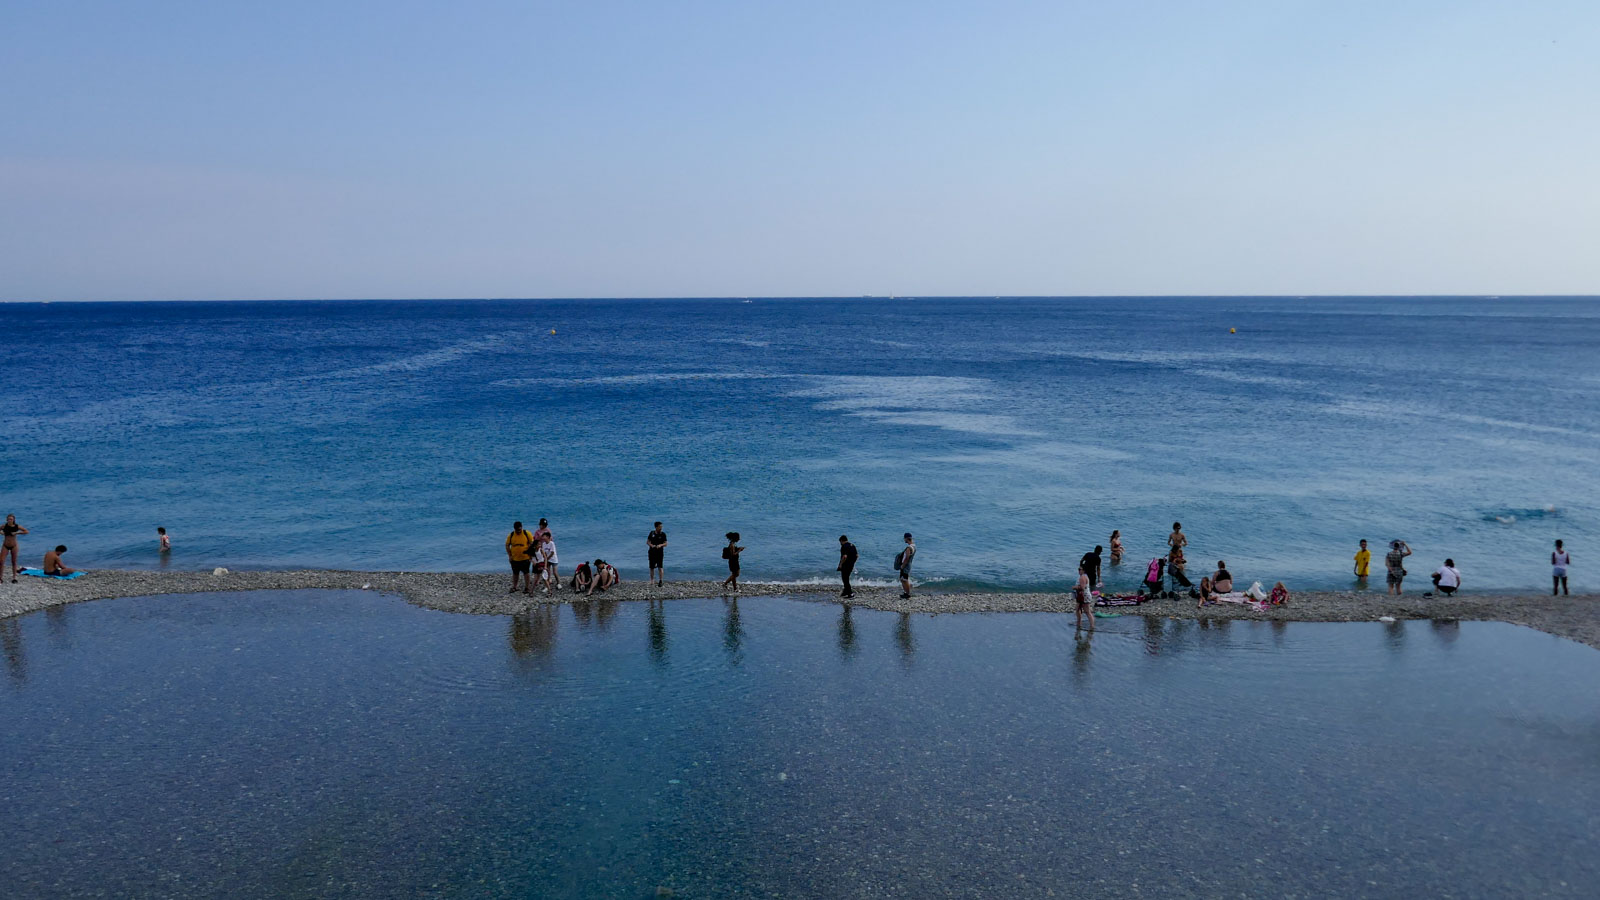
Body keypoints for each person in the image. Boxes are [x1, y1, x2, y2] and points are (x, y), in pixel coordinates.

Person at [505, 521, 535, 594]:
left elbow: (532, 544)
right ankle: (515, 587)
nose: (518, 531)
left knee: (526, 573)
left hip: (525, 558)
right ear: (514, 529)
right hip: (514, 558)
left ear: (521, 527)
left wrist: (531, 556)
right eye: (517, 530)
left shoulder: (527, 534)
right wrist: (510, 555)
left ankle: (527, 587)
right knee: (515, 573)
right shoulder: (511, 535)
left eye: (519, 529)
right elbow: (507, 545)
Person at [2, 515, 28, 583]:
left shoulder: (17, 526)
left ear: (13, 520)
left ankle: (14, 577)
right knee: (1, 561)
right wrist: (1, 532)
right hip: (5, 545)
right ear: (6, 520)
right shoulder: (4, 526)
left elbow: (26, 531)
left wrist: (17, 532)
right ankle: (0, 577)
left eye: (11, 519)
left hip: (14, 545)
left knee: (14, 561)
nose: (10, 520)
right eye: (8, 519)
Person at [647, 522, 668, 587]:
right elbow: (648, 542)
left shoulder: (663, 534)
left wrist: (660, 545)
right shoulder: (652, 533)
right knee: (651, 567)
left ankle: (660, 580)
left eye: (661, 527)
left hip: (660, 552)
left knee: (660, 566)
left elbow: (666, 544)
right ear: (656, 527)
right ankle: (652, 580)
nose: (661, 528)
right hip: (652, 552)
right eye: (660, 527)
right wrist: (651, 545)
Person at [1073, 566, 1094, 631]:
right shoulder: (1084, 576)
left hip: (1084, 596)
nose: (1079, 571)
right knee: (1077, 609)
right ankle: (1079, 623)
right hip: (1082, 595)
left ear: (1084, 570)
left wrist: (1075, 587)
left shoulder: (1083, 577)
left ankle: (1091, 626)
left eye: (1080, 569)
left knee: (1087, 611)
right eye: (1078, 569)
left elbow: (1082, 587)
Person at [896, 532, 916, 600]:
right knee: (902, 579)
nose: (904, 540)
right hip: (908, 565)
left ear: (907, 538)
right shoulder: (914, 546)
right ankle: (906, 593)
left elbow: (907, 558)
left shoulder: (909, 548)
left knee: (905, 579)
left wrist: (902, 566)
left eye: (904, 538)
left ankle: (907, 594)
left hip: (905, 566)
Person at [837, 535, 858, 599]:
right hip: (851, 565)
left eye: (840, 542)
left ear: (842, 541)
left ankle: (850, 593)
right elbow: (857, 556)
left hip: (845, 565)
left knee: (845, 579)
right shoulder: (853, 545)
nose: (840, 544)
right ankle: (845, 591)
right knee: (847, 578)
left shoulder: (844, 546)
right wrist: (853, 562)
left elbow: (845, 556)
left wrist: (840, 564)